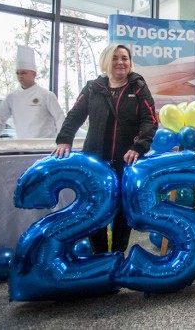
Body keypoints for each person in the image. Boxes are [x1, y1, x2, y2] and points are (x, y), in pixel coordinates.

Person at [53, 44, 157, 254]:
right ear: (106, 61)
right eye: (115, 58)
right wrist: (64, 139)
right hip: (96, 161)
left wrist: (139, 146)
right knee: (95, 207)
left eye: (125, 58)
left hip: (125, 161)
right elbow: (75, 115)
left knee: (121, 210)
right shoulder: (93, 87)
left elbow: (150, 119)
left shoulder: (137, 86)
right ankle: (99, 257)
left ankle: (118, 255)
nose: (120, 62)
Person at [0, 46, 64, 139]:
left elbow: (60, 119)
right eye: (18, 73)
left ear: (34, 74)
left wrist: (62, 140)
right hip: (23, 147)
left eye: (23, 73)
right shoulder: (12, 98)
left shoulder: (47, 95)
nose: (20, 76)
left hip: (45, 147)